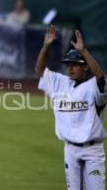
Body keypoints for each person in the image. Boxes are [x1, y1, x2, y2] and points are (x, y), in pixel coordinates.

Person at [35, 25, 107, 190]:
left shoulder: (93, 87)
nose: (70, 68)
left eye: (75, 64)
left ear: (85, 67)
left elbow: (101, 78)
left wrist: (84, 51)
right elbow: (39, 70)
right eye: (68, 64)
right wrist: (46, 45)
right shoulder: (60, 82)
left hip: (92, 151)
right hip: (70, 150)